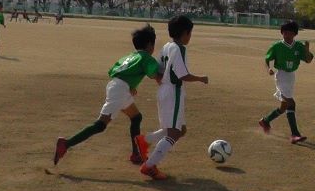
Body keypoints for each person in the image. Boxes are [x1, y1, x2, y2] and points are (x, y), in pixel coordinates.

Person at [54, 25, 160, 166]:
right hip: (120, 90)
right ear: (150, 44)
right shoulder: (146, 57)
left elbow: (113, 71)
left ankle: (136, 154)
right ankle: (66, 143)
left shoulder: (130, 56)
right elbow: (154, 74)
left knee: (136, 117)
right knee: (100, 125)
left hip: (116, 86)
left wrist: (131, 86)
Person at [135, 15, 208, 180]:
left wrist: (164, 83)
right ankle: (149, 165)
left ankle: (145, 140)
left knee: (180, 129)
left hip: (164, 90)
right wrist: (200, 78)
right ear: (185, 33)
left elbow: (158, 71)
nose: (190, 37)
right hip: (173, 92)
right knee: (174, 132)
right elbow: (182, 75)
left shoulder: (166, 47)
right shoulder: (179, 48)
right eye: (190, 33)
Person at [258, 20, 314, 144]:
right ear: (282, 33)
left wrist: (307, 50)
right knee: (290, 103)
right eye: (285, 33)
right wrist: (268, 69)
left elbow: (308, 60)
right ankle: (295, 134)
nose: (287, 35)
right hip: (281, 75)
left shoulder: (299, 46)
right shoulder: (277, 46)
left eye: (290, 33)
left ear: (295, 34)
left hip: (291, 76)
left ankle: (265, 121)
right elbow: (267, 59)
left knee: (284, 107)